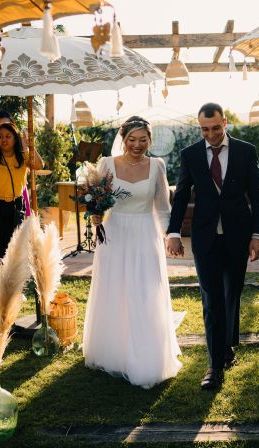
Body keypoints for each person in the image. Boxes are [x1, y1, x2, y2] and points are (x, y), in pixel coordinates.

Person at [167, 103, 259, 390]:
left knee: (231, 293)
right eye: (204, 129)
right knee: (212, 299)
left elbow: (257, 197)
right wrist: (174, 232)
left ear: (225, 123)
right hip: (205, 237)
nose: (210, 134)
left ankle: (227, 346)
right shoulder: (190, 155)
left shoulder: (246, 151)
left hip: (238, 234)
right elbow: (182, 194)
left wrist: (257, 236)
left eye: (215, 128)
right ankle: (214, 366)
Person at [83, 116, 182, 389]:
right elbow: (95, 199)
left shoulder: (157, 166)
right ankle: (115, 352)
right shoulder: (107, 164)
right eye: (131, 139)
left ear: (150, 140)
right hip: (114, 233)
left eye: (143, 140)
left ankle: (147, 352)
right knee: (115, 289)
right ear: (123, 138)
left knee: (145, 289)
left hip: (144, 234)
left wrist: (170, 237)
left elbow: (163, 207)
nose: (137, 145)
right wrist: (95, 215)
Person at [0, 122, 42, 270]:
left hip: (16, 206)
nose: (3, 140)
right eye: (0, 137)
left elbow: (39, 165)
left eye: (8, 136)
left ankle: (13, 287)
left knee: (15, 249)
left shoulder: (23, 156)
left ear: (15, 139)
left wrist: (30, 146)